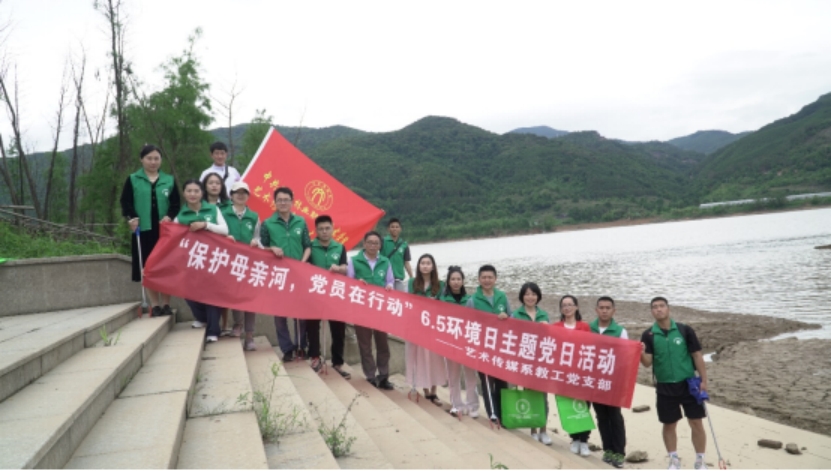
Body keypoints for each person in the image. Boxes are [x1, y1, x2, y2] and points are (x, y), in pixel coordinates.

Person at [640, 297, 709, 470]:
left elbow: (697, 355)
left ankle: (700, 460)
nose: (658, 309)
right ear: (652, 311)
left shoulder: (684, 330)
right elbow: (647, 363)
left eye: (662, 306)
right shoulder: (648, 335)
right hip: (665, 386)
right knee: (669, 424)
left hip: (689, 384)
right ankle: (673, 459)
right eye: (655, 307)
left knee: (696, 422)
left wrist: (704, 380)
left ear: (668, 309)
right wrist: (640, 353)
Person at [120, 144, 180, 318]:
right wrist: (131, 217)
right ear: (142, 159)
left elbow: (176, 204)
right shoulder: (133, 179)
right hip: (143, 230)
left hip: (165, 232)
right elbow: (126, 202)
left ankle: (166, 303)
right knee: (148, 268)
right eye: (149, 158)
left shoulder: (168, 180)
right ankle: (155, 305)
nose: (153, 162)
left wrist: (169, 216)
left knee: (166, 267)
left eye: (156, 158)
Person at [260, 187, 311, 361]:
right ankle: (287, 349)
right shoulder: (267, 224)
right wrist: (271, 248)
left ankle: (301, 346)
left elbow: (307, 246)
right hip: (278, 275)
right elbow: (261, 248)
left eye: (286, 200)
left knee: (300, 313)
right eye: (279, 200)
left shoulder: (301, 221)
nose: (283, 203)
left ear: (292, 201)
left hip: (299, 274)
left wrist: (302, 263)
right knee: (280, 314)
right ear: (275, 202)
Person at [174, 179, 228, 342]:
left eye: (196, 191)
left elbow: (225, 230)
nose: (193, 194)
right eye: (189, 191)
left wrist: (205, 225)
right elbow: (174, 239)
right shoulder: (181, 216)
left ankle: (213, 331)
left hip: (213, 259)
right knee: (188, 292)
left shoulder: (213, 209)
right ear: (184, 193)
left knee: (212, 294)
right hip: (192, 261)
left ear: (202, 193)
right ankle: (202, 317)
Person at [347, 231, 395, 390]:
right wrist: (357, 282)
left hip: (380, 309)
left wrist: (389, 287)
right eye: (370, 242)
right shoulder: (354, 261)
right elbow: (348, 282)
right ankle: (370, 376)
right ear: (364, 243)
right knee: (365, 345)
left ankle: (383, 376)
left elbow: (390, 281)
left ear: (380, 245)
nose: (373, 245)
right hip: (361, 310)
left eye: (376, 243)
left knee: (383, 345)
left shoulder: (385, 261)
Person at [465, 264, 511, 424]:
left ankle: (504, 415)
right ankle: (493, 415)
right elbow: (468, 324)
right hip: (482, 348)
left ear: (495, 279)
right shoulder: (472, 300)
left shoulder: (502, 297)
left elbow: (512, 319)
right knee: (486, 381)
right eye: (484, 277)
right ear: (479, 279)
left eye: (490, 277)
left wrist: (506, 317)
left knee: (501, 381)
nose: (487, 280)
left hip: (500, 348)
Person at [307, 215, 350, 378]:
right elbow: (304, 266)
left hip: (335, 294)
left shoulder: (340, 247)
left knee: (338, 329)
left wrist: (338, 268)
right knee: (312, 326)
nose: (324, 231)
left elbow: (345, 268)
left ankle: (338, 363)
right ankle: (315, 358)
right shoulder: (310, 246)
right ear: (316, 230)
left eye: (327, 228)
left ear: (332, 228)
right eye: (321, 229)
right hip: (315, 292)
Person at [221, 181, 261, 350]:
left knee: (250, 299)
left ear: (248, 196)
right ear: (231, 195)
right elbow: (217, 233)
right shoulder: (223, 213)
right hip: (229, 262)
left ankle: (250, 336)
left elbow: (259, 237)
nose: (240, 195)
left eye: (244, 192)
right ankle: (238, 324)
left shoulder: (254, 216)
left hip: (250, 263)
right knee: (235, 296)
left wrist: (256, 241)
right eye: (237, 192)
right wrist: (225, 238)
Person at [511, 282, 552, 446]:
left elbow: (550, 339)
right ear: (522, 296)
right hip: (526, 361)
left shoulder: (544, 315)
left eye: (533, 294)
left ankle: (543, 430)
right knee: (530, 394)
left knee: (543, 396)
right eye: (527, 294)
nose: (530, 297)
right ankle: (533, 430)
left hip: (542, 361)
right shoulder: (516, 314)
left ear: (538, 296)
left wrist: (548, 328)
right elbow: (511, 335)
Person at [590, 296, 628, 469]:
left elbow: (626, 357)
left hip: (613, 381)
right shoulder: (589, 328)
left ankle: (619, 451)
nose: (604, 311)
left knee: (615, 416)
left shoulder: (620, 331)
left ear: (614, 311)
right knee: (601, 416)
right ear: (596, 310)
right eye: (601, 308)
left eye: (608, 308)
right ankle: (608, 449)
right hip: (594, 380)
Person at [406, 254, 448, 406]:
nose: (425, 266)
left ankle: (434, 391)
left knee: (436, 359)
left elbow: (444, 304)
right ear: (418, 266)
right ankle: (426, 391)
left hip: (434, 327)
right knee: (420, 359)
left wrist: (434, 302)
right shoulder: (412, 282)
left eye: (428, 263)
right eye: (422, 263)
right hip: (418, 326)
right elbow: (408, 302)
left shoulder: (440, 284)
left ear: (433, 266)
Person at [553, 294, 592, 457]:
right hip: (565, 373)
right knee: (569, 405)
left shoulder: (584, 326)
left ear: (576, 307)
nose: (567, 308)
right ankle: (574, 438)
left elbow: (591, 347)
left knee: (584, 406)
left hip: (582, 372)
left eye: (570, 304)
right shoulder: (556, 326)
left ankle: (584, 440)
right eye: (564, 305)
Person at [438, 266, 480, 418]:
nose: (456, 282)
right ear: (448, 281)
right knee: (453, 377)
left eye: (458, 279)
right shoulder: (442, 300)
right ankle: (457, 404)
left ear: (463, 281)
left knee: (471, 376)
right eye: (453, 279)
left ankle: (473, 405)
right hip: (450, 343)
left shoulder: (470, 300)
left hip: (468, 343)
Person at [201, 172, 232, 333]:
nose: (214, 186)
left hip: (224, 253)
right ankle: (205, 319)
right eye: (210, 182)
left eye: (217, 183)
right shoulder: (198, 204)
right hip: (203, 253)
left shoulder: (228, 205)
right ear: (205, 185)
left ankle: (224, 324)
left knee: (223, 290)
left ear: (222, 186)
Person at [382, 218, 413, 292]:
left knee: (399, 298)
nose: (395, 229)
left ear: (400, 229)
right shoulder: (382, 241)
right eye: (392, 227)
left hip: (399, 279)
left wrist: (412, 278)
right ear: (388, 229)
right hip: (384, 278)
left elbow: (406, 263)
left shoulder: (404, 244)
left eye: (397, 227)